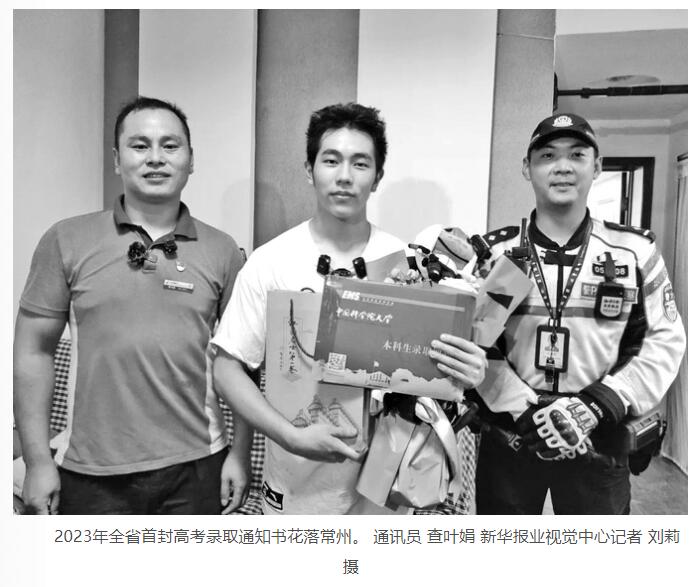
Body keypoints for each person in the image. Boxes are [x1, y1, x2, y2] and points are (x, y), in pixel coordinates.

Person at [211, 102, 487, 514]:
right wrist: (288, 436)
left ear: (377, 177)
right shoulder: (271, 262)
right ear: (309, 170)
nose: (344, 176)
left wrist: (467, 372)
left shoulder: (408, 264)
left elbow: (433, 375)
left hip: (387, 491)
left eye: (360, 163)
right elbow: (227, 368)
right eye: (331, 160)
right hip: (295, 487)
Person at [13, 96, 250, 514]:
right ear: (117, 160)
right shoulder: (66, 239)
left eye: (170, 146)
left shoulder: (224, 251)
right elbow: (33, 352)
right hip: (90, 471)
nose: (155, 157)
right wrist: (36, 462)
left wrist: (240, 454)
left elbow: (242, 363)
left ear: (191, 160)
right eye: (140, 145)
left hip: (198, 466)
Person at [473, 113, 686, 514]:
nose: (563, 167)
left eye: (576, 155)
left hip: (598, 442)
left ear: (597, 166)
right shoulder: (495, 255)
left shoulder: (634, 252)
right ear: (527, 168)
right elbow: (475, 344)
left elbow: (664, 339)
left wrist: (595, 405)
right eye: (547, 156)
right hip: (513, 438)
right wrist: (523, 407)